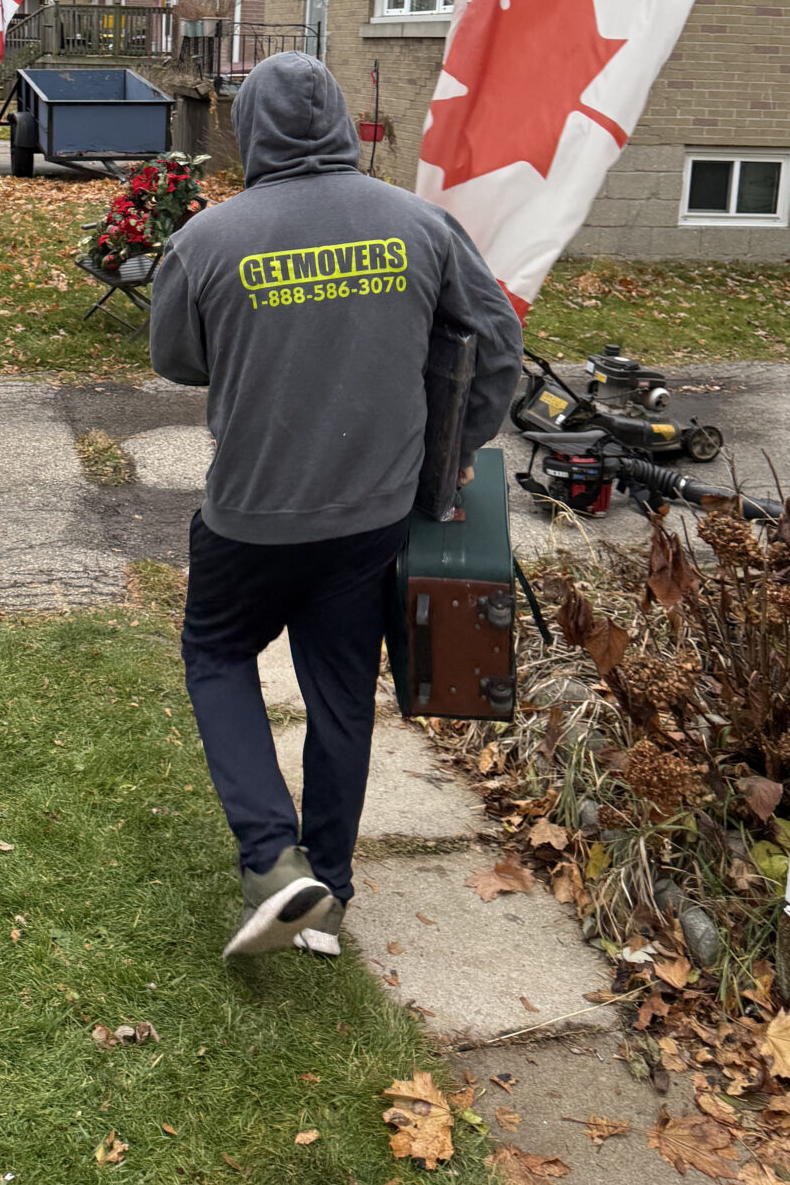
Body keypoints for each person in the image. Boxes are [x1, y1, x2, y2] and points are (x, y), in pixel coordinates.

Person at [149, 52, 521, 958]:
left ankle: (273, 859)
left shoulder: (207, 240)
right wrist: (456, 453)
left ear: (250, 129)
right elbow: (497, 340)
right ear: (343, 123)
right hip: (370, 519)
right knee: (341, 691)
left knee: (216, 653)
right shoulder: (421, 225)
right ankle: (332, 891)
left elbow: (176, 359)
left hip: (250, 516)